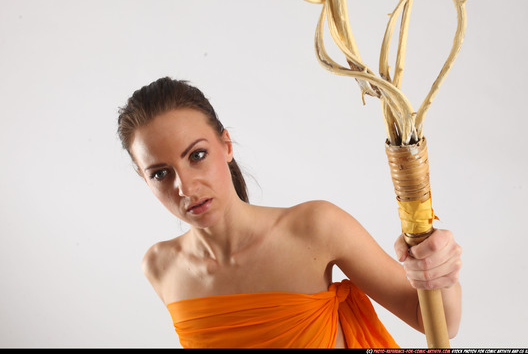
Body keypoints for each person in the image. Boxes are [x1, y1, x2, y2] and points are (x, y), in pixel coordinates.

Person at [117, 77, 462, 348]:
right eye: (160, 173)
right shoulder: (160, 267)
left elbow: (439, 322)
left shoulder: (315, 228)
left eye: (197, 156)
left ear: (226, 145)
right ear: (143, 178)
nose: (185, 187)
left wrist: (439, 269)